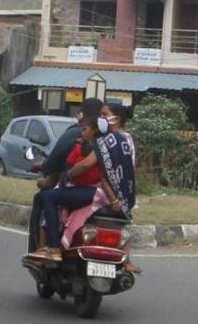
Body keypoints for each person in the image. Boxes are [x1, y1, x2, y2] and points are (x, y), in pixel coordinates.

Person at [29, 115, 122, 261]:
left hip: (94, 192)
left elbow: (83, 166)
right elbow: (68, 165)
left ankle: (53, 247)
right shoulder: (87, 145)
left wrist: (69, 175)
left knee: (48, 197)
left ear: (94, 131)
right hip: (93, 192)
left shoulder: (99, 147)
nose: (82, 132)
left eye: (85, 129)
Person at [27, 97, 103, 251]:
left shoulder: (76, 134)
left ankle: (48, 246)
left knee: (45, 197)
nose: (83, 132)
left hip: (83, 189)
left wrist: (57, 172)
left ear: (83, 115)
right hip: (105, 193)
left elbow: (56, 162)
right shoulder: (109, 138)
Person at [103, 103, 141, 274]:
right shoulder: (101, 136)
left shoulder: (125, 138)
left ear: (116, 119)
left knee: (125, 222)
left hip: (117, 187)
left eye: (105, 114)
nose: (101, 118)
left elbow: (129, 167)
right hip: (101, 186)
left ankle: (126, 259)